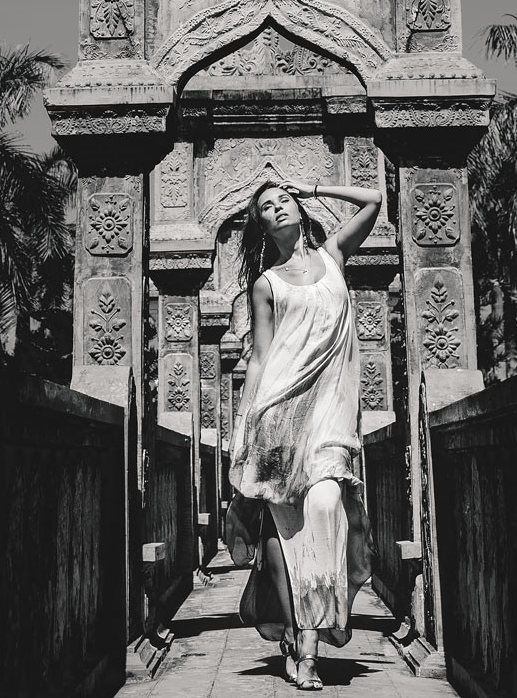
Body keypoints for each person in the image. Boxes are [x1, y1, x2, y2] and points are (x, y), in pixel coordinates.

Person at [224, 176, 382, 689]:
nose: (278, 209)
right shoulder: (266, 284)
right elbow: (263, 358)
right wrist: (246, 421)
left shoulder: (334, 254)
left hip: (330, 415)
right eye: (267, 207)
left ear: (298, 208)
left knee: (322, 507)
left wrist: (316, 187)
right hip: (279, 414)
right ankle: (303, 641)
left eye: (284, 201)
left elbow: (373, 200)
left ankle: (310, 631)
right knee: (285, 531)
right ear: (262, 226)